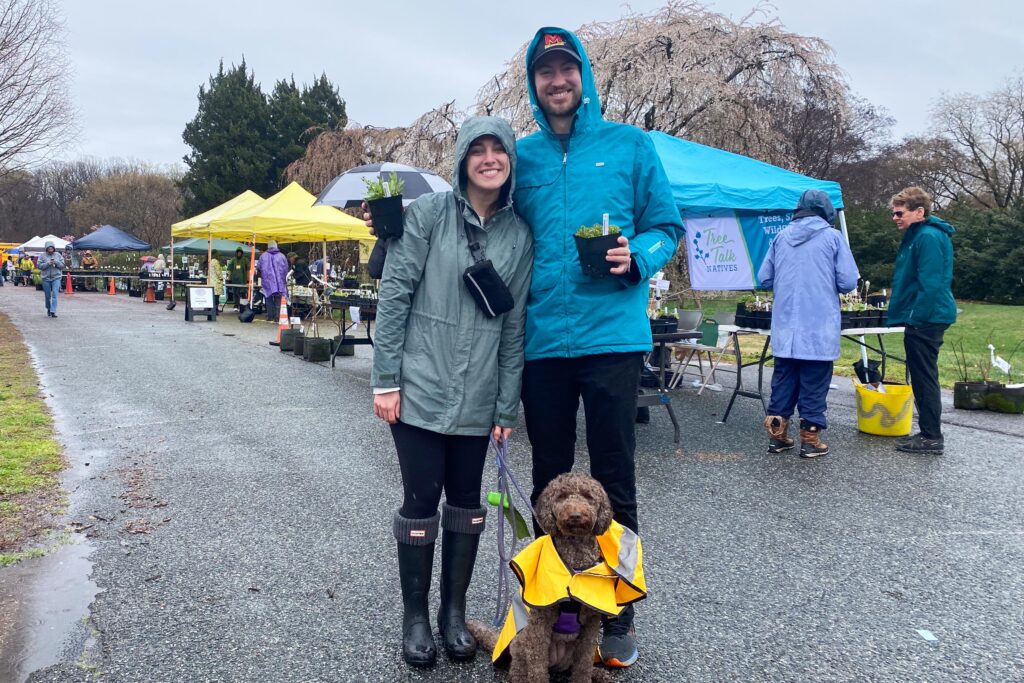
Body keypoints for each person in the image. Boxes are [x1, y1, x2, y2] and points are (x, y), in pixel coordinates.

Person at [511, 28, 683, 667]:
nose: (557, 81)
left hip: (611, 337)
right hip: (544, 343)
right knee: (547, 480)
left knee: (617, 478)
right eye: (545, 72)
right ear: (534, 85)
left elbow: (668, 227)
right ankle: (550, 608)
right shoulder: (521, 157)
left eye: (566, 69)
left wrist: (636, 255)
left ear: (583, 76)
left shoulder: (630, 147)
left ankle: (617, 615)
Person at [371, 116, 533, 668]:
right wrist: (385, 379)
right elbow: (394, 297)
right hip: (418, 386)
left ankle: (453, 614)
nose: (489, 159)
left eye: (499, 151)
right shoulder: (427, 216)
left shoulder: (519, 235)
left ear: (510, 161)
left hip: (480, 395)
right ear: (463, 159)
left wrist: (506, 403)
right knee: (421, 500)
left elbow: (514, 328)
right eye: (478, 150)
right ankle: (415, 616)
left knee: (466, 504)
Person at [758, 190, 860, 458]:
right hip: (818, 326)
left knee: (783, 380)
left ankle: (777, 437)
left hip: (785, 327)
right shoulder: (833, 238)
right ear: (826, 211)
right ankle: (810, 439)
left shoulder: (781, 237)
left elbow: (764, 277)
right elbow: (849, 281)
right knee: (814, 382)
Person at [886, 186, 956, 455]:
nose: (895, 217)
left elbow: (932, 282)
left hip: (927, 317)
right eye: (894, 213)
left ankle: (931, 436)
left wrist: (916, 317)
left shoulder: (927, 237)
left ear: (919, 211)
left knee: (924, 377)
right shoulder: (918, 235)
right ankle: (928, 432)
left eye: (899, 212)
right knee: (921, 375)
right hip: (923, 315)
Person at [256, 240, 288, 321]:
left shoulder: (263, 256)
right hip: (279, 282)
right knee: (278, 299)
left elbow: (258, 267)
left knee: (268, 298)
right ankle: (278, 316)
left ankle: (270, 316)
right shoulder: (282, 256)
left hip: (267, 281)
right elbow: (286, 268)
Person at [36, 241, 65, 317]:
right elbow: (39, 266)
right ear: (46, 248)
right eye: (49, 248)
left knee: (55, 294)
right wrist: (47, 264)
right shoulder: (42, 256)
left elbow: (62, 265)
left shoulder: (58, 255)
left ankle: (53, 311)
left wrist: (56, 262)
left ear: (54, 248)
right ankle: (48, 308)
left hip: (56, 277)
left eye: (52, 248)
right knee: (48, 295)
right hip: (46, 278)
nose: (50, 249)